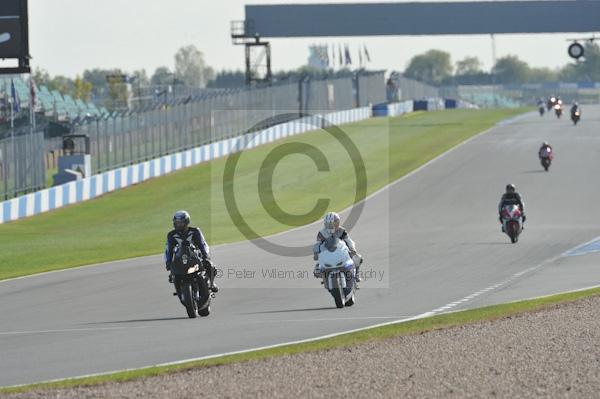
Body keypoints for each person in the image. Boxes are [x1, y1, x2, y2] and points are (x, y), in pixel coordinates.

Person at [164, 210, 218, 292]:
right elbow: (168, 250)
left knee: (210, 266)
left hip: (194, 257)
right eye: (177, 222)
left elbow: (202, 244)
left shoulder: (195, 231)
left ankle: (212, 284)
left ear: (186, 222)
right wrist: (168, 262)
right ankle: (179, 289)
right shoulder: (171, 235)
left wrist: (205, 256)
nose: (179, 225)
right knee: (173, 274)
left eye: (181, 222)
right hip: (180, 260)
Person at [312, 211, 363, 281]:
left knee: (358, 258)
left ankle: (356, 274)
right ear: (325, 224)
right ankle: (325, 277)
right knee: (317, 268)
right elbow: (317, 244)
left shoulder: (342, 230)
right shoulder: (321, 233)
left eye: (334, 223)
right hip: (327, 254)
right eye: (329, 224)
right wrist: (316, 252)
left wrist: (352, 249)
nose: (332, 225)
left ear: (338, 222)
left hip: (342, 252)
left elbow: (349, 240)